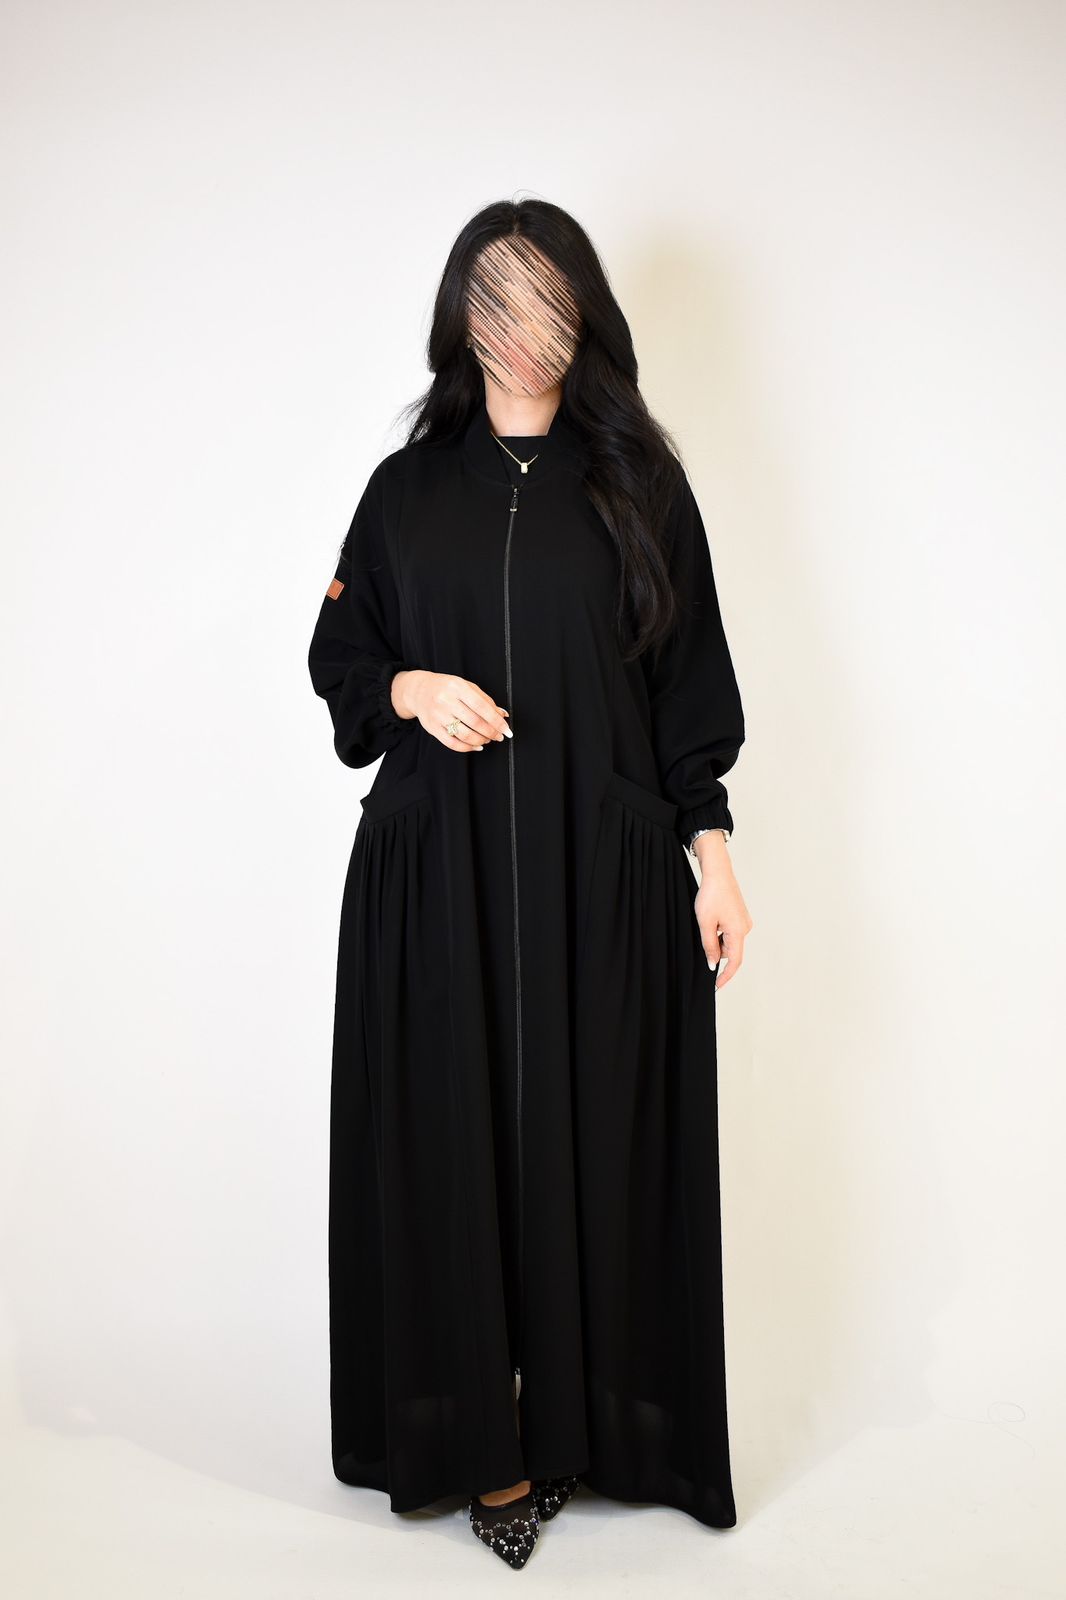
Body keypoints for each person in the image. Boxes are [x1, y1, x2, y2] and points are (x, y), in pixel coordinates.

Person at [307, 198, 752, 1569]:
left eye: (543, 299)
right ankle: (475, 1442)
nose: (517, 327)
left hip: (597, 873)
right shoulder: (406, 491)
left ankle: (583, 1430)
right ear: (459, 318)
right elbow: (337, 663)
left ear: (583, 315)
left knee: (596, 1141)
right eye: (491, 299)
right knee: (451, 1142)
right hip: (436, 876)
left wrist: (714, 860)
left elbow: (687, 690)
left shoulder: (639, 486)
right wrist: (410, 687)